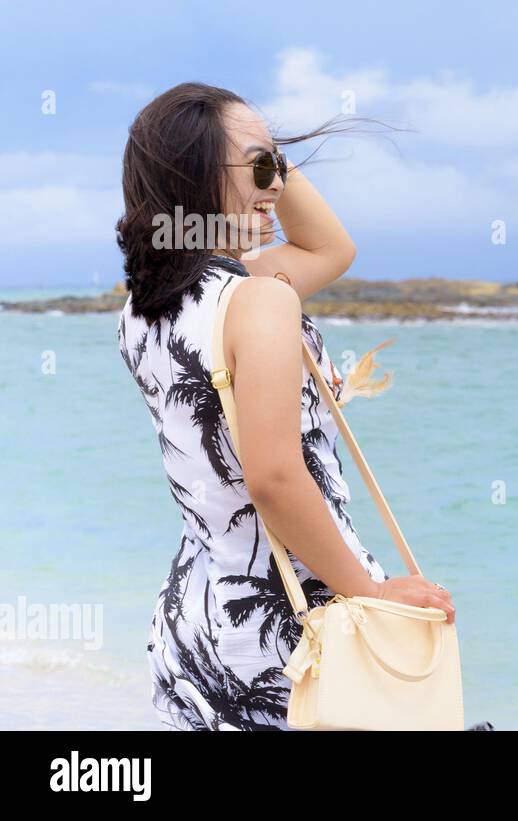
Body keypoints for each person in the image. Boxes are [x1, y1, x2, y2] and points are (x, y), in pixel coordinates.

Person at [115, 82, 479, 730]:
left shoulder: (146, 310)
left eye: (278, 163)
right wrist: (369, 591)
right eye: (259, 166)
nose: (277, 183)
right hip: (295, 634)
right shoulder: (260, 301)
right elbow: (275, 479)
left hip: (200, 624)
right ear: (200, 175)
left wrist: (261, 156)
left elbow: (330, 250)